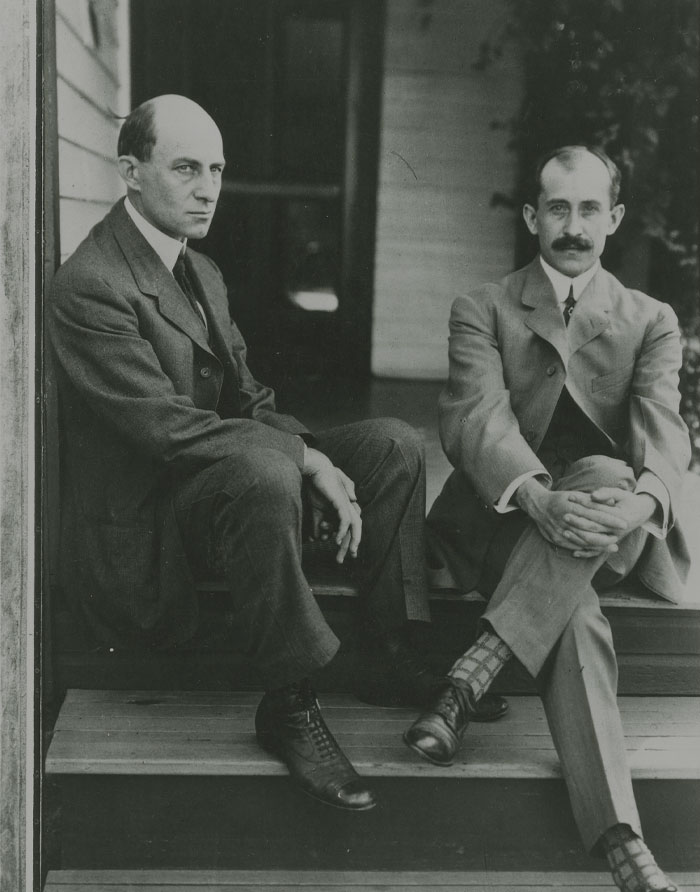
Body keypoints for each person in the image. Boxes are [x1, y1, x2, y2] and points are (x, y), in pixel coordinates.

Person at [48, 94, 505, 813]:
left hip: (215, 489)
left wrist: (313, 453)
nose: (208, 189)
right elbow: (166, 429)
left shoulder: (199, 270)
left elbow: (248, 400)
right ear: (130, 172)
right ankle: (288, 704)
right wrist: (304, 459)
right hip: (151, 528)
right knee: (267, 467)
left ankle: (383, 652)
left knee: (391, 444)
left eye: (218, 169)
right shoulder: (91, 285)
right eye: (187, 168)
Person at [405, 146, 690, 892]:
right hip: (505, 517)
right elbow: (475, 422)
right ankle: (624, 841)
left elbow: (664, 430)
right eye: (558, 208)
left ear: (614, 219)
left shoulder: (650, 318)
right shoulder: (484, 307)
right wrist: (535, 497)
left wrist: (635, 503)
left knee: (607, 473)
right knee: (579, 619)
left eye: (589, 208)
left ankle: (470, 677)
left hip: (604, 523)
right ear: (533, 217)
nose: (573, 226)